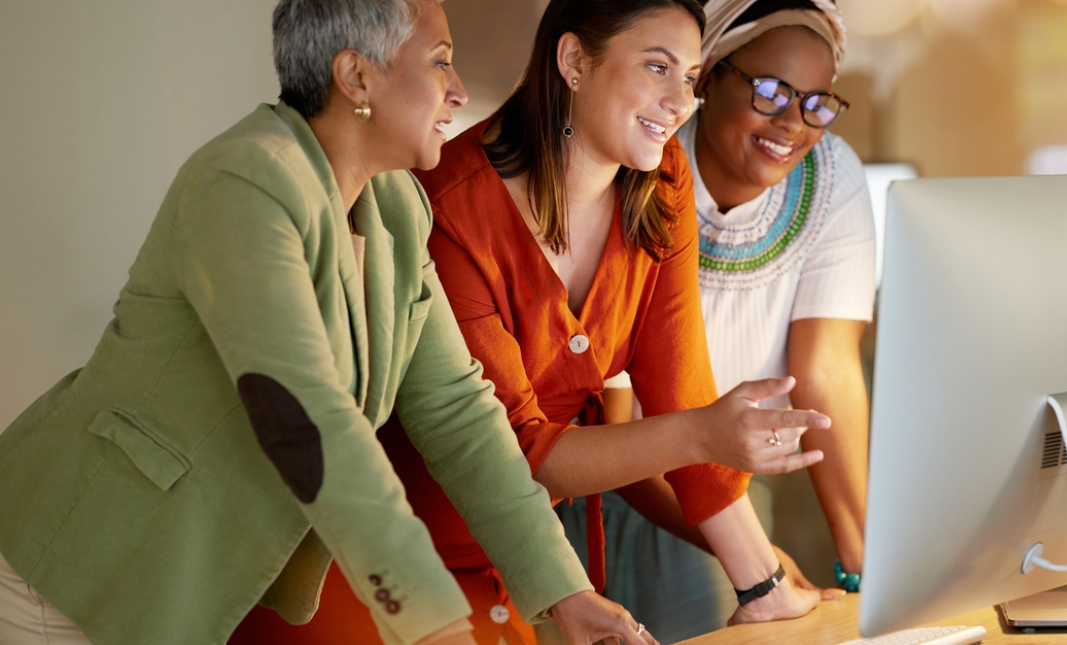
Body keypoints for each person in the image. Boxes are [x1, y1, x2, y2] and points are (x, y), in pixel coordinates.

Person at [0, 1, 654, 644]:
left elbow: (458, 410)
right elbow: (307, 413)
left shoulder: (396, 206)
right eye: (440, 63)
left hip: (188, 581)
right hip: (71, 562)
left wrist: (565, 589)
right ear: (356, 77)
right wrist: (430, 613)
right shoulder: (245, 180)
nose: (457, 92)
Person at [384, 1, 841, 644]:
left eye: (689, 76)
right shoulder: (447, 206)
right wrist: (707, 434)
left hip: (533, 561)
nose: (679, 102)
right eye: (657, 67)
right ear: (573, 61)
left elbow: (679, 391)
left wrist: (762, 586)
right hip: (404, 557)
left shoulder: (660, 182)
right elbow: (517, 455)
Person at [594, 0, 876, 640]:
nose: (793, 123)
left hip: (729, 489)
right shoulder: (641, 168)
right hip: (617, 484)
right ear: (710, 75)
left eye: (817, 103)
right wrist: (755, 562)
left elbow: (827, 369)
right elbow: (615, 419)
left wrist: (864, 559)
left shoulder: (832, 178)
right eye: (772, 91)